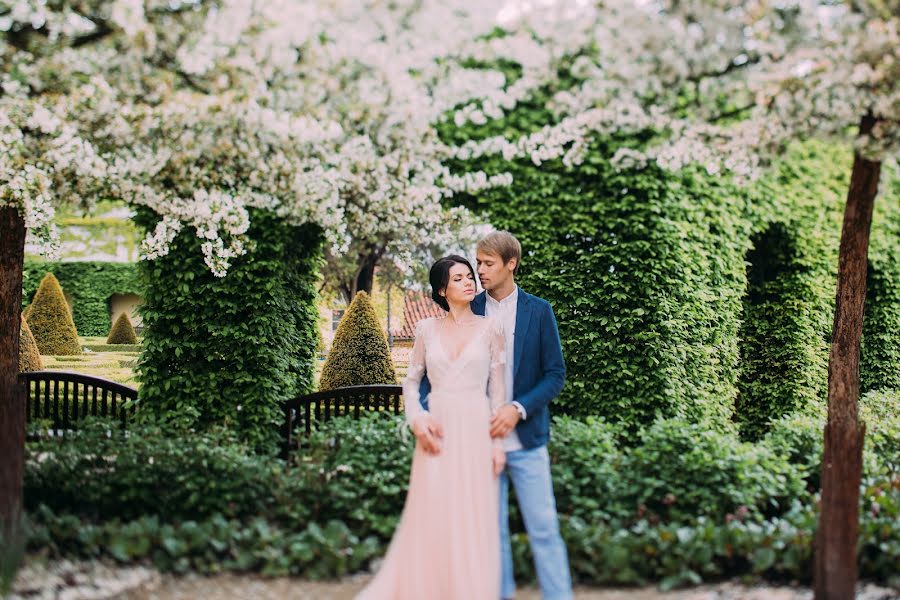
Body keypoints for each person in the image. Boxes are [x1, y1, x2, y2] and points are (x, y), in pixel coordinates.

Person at [422, 231, 573, 600]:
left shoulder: (540, 311)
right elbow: (434, 373)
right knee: (490, 537)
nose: (480, 271)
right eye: (478, 263)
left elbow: (555, 374)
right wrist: (428, 414)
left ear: (511, 264)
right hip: (476, 445)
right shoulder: (467, 311)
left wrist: (517, 408)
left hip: (526, 440)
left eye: (487, 263)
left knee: (544, 529)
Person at [355, 255, 507, 600]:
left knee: (472, 516)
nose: (469, 281)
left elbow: (498, 392)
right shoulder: (425, 329)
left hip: (475, 427)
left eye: (470, 276)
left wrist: (499, 445)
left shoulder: (490, 328)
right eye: (458, 278)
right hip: (436, 428)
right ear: (442, 289)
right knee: (432, 512)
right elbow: (411, 383)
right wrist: (418, 419)